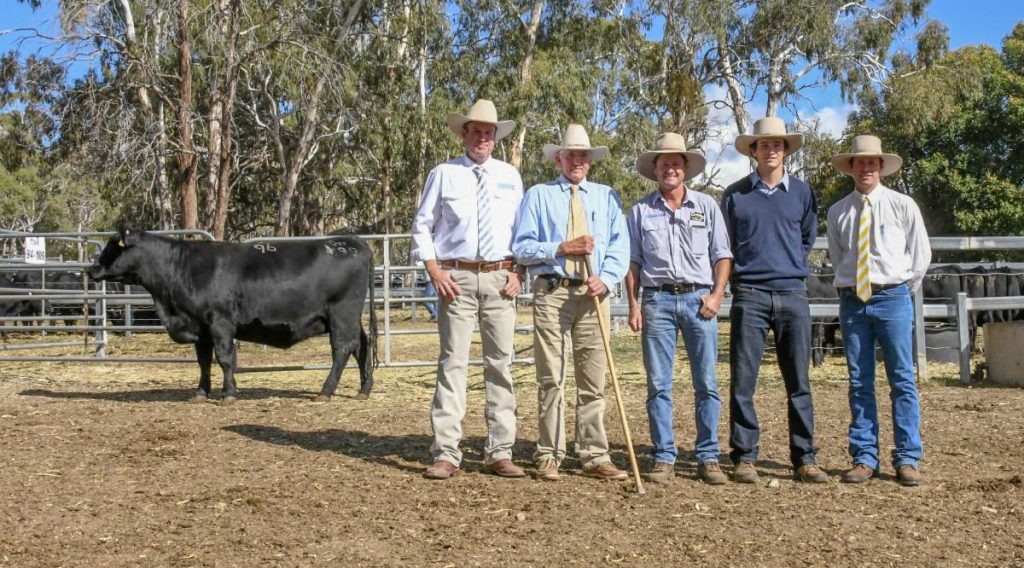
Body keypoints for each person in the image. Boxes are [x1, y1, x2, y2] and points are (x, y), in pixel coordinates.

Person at [411, 99, 526, 480]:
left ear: (496, 138)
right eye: (475, 131)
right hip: (455, 278)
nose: (481, 138)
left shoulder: (510, 175)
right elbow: (422, 224)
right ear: (464, 134)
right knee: (453, 363)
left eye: (488, 132)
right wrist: (434, 270)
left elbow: (523, 232)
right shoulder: (443, 173)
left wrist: (519, 271)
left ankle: (499, 450)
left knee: (501, 364)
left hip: (500, 278)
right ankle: (446, 452)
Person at [512, 123, 630, 482]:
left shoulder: (607, 197)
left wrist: (606, 278)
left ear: (590, 162)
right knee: (551, 376)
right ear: (558, 159)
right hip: (553, 292)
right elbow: (522, 247)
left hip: (593, 294)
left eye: (583, 155)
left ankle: (594, 454)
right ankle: (549, 452)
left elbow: (620, 246)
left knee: (593, 378)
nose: (577, 161)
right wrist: (560, 248)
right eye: (570, 154)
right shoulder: (539, 195)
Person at [721, 116, 828, 484]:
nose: (771, 150)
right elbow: (727, 246)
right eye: (764, 145)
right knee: (743, 381)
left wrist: (789, 265)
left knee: (798, 380)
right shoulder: (734, 195)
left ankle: (805, 457)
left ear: (786, 151)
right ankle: (745, 455)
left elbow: (806, 238)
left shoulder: (802, 193)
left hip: (792, 294)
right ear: (753, 151)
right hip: (749, 294)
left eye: (777, 145)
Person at [624, 133, 733, 485]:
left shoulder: (707, 206)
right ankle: (664, 455)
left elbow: (722, 254)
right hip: (656, 300)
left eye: (676, 163)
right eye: (664, 163)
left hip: (699, 300)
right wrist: (634, 304)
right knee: (658, 383)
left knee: (707, 382)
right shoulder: (640, 211)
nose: (670, 169)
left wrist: (716, 295)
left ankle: (708, 455)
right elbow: (633, 262)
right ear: (654, 169)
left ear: (685, 169)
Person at [826, 135, 931, 487]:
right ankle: (864, 455)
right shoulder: (838, 212)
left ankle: (907, 457)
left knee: (902, 378)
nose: (866, 168)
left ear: (881, 167)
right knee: (859, 380)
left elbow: (920, 257)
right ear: (851, 168)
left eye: (872, 162)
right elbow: (840, 257)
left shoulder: (903, 206)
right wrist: (858, 288)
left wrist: (898, 290)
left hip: (892, 297)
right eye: (860, 162)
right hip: (854, 301)